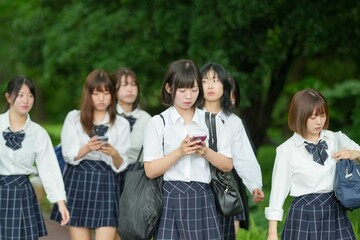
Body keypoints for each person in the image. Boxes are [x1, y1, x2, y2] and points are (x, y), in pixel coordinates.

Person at [143, 59, 233, 240]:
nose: (188, 96)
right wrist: (179, 152)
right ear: (169, 89)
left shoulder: (212, 121)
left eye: (193, 90)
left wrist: (206, 152)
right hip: (170, 198)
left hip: (203, 197)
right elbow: (150, 170)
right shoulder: (158, 123)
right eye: (182, 90)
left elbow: (227, 165)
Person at [265, 89, 360, 240]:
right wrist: (272, 233)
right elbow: (277, 193)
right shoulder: (286, 150)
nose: (319, 122)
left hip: (335, 211)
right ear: (299, 116)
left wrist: (354, 154)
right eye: (313, 117)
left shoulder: (337, 139)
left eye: (322, 115)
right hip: (304, 214)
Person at [50, 70, 130, 240]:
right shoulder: (74, 118)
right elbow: (68, 155)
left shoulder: (121, 123)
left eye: (106, 93)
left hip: (107, 181)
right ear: (88, 94)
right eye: (96, 93)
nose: (101, 99)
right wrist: (87, 147)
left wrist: (113, 153)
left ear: (112, 95)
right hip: (79, 179)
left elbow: (121, 164)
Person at [200, 63, 265, 239]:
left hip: (223, 188)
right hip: (196, 188)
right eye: (205, 81)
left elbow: (243, 156)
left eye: (216, 80)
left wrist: (254, 185)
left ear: (225, 86)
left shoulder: (233, 122)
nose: (210, 85)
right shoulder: (191, 117)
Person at [0, 76, 69, 239]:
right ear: (9, 97)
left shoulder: (38, 133)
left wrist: (60, 202)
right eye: (21, 95)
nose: (26, 100)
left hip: (23, 192)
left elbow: (49, 169)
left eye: (30, 95)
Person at [111, 67, 151, 240]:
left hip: (137, 179)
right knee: (109, 228)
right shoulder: (107, 117)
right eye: (124, 85)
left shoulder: (146, 119)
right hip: (111, 177)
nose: (130, 89)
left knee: (132, 229)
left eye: (133, 84)